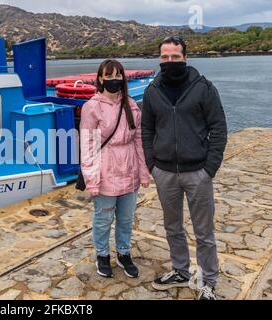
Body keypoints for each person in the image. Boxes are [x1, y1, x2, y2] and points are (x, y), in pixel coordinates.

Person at [141, 36, 228, 300]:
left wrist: (209, 168)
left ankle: (208, 280)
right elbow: (146, 129)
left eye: (175, 57)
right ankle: (180, 270)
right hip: (165, 172)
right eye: (165, 57)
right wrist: (152, 164)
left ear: (185, 58)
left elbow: (218, 128)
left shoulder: (203, 88)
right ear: (159, 59)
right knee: (173, 227)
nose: (170, 62)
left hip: (197, 172)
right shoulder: (152, 91)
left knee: (204, 231)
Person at [80, 59, 150, 279]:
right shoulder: (92, 107)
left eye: (117, 75)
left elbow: (138, 139)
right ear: (100, 79)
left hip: (128, 168)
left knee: (127, 218)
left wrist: (143, 170)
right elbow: (88, 145)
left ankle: (123, 252)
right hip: (105, 169)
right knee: (103, 218)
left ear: (123, 77)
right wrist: (92, 179)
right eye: (108, 76)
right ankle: (102, 255)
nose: (113, 80)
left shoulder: (131, 104)